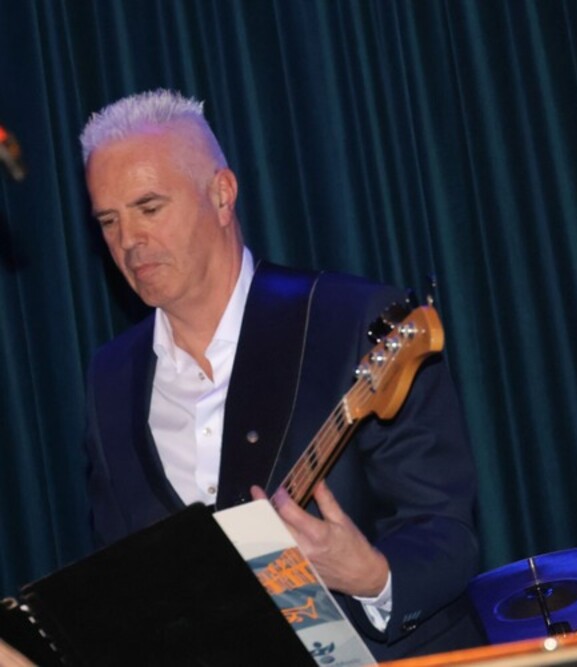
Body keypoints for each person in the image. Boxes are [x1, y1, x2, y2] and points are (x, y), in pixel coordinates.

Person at [79, 89, 482, 661]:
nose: (128, 241)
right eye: (109, 220)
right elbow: (122, 579)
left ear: (222, 195)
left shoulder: (349, 321)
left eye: (149, 208)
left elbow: (446, 532)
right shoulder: (111, 377)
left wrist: (372, 576)